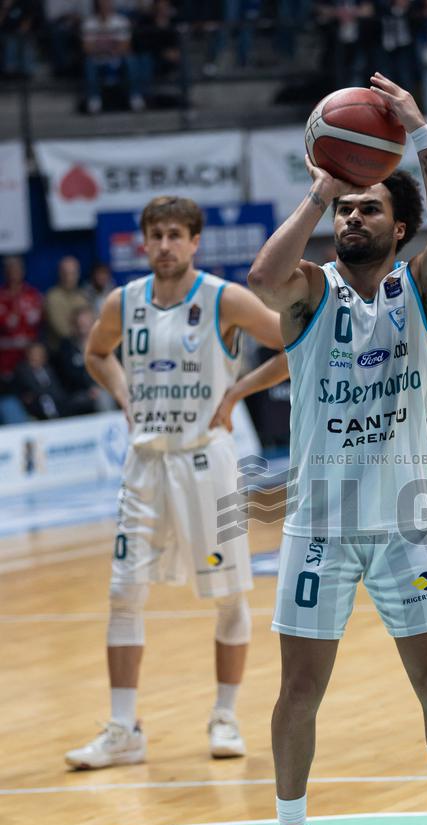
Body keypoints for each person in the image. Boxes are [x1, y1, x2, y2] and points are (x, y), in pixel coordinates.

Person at [248, 72, 427, 825]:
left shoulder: (421, 290)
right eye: (347, 211)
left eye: (368, 208)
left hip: (403, 525)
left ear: (398, 226)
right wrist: (322, 186)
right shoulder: (309, 294)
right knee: (298, 692)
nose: (353, 218)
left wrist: (418, 132)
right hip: (318, 526)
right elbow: (264, 274)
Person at [65, 195, 289, 770]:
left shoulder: (223, 297)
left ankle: (225, 716)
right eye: (156, 235)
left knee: (229, 595)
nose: (164, 245)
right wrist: (123, 394)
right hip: (145, 465)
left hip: (206, 461)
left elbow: (297, 341)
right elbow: (97, 354)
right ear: (143, 243)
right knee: (123, 593)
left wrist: (238, 392)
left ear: (194, 242)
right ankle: (123, 730)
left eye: (175, 235)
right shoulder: (123, 302)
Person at [81, 0, 144, 113]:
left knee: (131, 60)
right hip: (98, 58)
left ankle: (135, 96)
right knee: (89, 62)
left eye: (107, 3)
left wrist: (111, 51)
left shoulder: (121, 21)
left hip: (117, 57)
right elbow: (87, 48)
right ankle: (94, 99)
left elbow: (126, 45)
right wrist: (102, 51)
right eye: (102, 4)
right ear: (97, 5)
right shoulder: (89, 23)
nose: (104, 6)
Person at [0, 256, 42, 425]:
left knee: (34, 392)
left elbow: (36, 322)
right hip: (6, 362)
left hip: (29, 358)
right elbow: (6, 324)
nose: (14, 274)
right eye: (11, 270)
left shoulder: (32, 294)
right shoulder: (2, 296)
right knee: (10, 398)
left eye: (17, 270)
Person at [44, 256, 91, 351]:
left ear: (78, 274)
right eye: (65, 273)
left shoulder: (82, 295)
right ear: (59, 274)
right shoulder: (52, 296)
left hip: (82, 347)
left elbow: (90, 323)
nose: (69, 277)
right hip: (59, 350)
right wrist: (82, 330)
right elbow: (61, 329)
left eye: (72, 273)